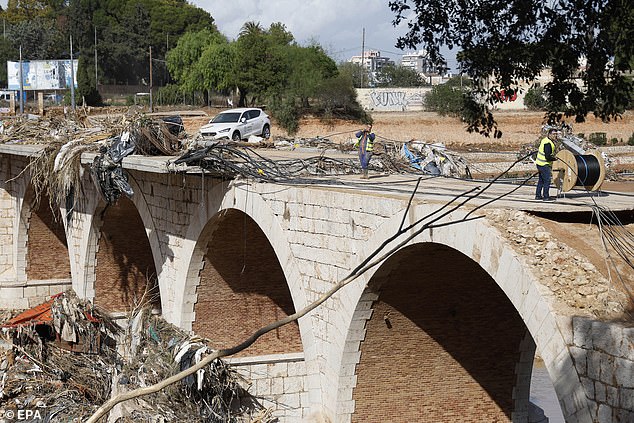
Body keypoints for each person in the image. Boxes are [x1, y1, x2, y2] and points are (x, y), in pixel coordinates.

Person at [535, 128, 558, 201]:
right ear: (549, 134)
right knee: (547, 181)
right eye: (553, 134)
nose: (555, 136)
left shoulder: (545, 140)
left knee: (541, 180)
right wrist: (555, 159)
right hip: (544, 164)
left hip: (539, 163)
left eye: (556, 134)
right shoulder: (547, 143)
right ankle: (546, 197)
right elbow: (547, 157)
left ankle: (538, 196)